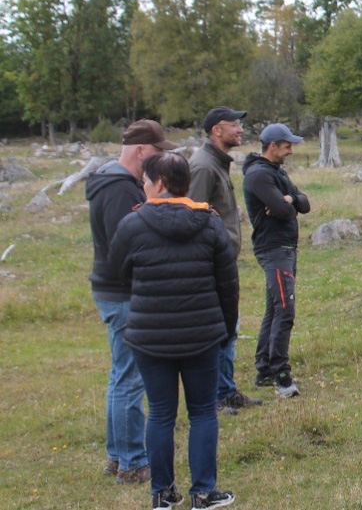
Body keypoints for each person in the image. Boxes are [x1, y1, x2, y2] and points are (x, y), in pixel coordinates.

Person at [109, 152, 238, 510]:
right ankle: (203, 492)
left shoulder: (131, 225)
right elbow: (229, 284)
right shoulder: (210, 223)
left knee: (162, 413)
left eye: (146, 182)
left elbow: (117, 271)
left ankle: (162, 494)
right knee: (202, 413)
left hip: (150, 337)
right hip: (202, 334)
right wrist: (225, 330)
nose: (143, 187)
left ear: (160, 184)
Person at [86, 119, 178, 484]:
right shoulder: (120, 190)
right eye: (157, 152)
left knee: (121, 375)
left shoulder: (113, 183)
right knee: (131, 378)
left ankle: (116, 455)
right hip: (123, 294)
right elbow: (124, 246)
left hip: (115, 291)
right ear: (141, 150)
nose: (159, 161)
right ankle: (132, 461)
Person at [189, 106, 261, 415]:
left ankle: (226, 390)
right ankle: (214, 397)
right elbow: (191, 217)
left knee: (229, 327)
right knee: (218, 330)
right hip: (210, 265)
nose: (240, 130)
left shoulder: (217, 163)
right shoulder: (204, 167)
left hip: (223, 262)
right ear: (217, 130)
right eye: (234, 125)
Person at [243, 123, 310, 398]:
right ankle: (282, 376)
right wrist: (287, 204)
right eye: (287, 145)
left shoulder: (276, 173)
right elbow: (285, 212)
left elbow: (302, 204)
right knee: (285, 308)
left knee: (274, 308)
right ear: (273, 146)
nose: (290, 150)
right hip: (273, 249)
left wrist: (290, 197)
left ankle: (264, 370)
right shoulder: (258, 176)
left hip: (285, 248)